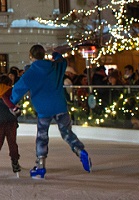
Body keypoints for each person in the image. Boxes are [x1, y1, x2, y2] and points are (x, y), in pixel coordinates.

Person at [10, 44, 91, 179]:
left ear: (31, 56)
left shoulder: (30, 72)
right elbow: (63, 61)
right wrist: (56, 55)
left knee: (42, 136)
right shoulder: (55, 67)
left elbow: (18, 89)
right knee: (66, 132)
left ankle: (40, 166)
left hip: (43, 109)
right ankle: (80, 150)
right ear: (43, 55)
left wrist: (11, 101)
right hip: (60, 106)